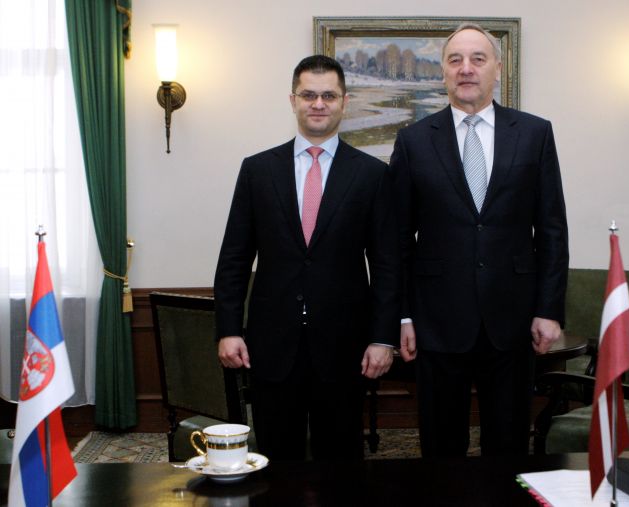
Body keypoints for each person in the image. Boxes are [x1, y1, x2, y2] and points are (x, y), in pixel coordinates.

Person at [390, 23, 569, 457]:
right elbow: (396, 239)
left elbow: (551, 229)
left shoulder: (534, 133)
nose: (466, 69)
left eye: (477, 59)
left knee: (508, 446)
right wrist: (403, 315)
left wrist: (548, 309)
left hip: (513, 318)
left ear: (497, 69)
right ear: (443, 72)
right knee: (441, 447)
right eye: (455, 60)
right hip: (436, 320)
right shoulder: (414, 141)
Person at [214, 55, 400, 461]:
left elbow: (387, 264)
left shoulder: (372, 174)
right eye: (308, 95)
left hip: (345, 348)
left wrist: (382, 337)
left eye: (328, 96)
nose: (318, 104)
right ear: (293, 100)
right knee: (276, 461)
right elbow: (234, 258)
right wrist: (228, 329)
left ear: (344, 102)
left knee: (341, 463)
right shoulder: (257, 171)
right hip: (271, 345)